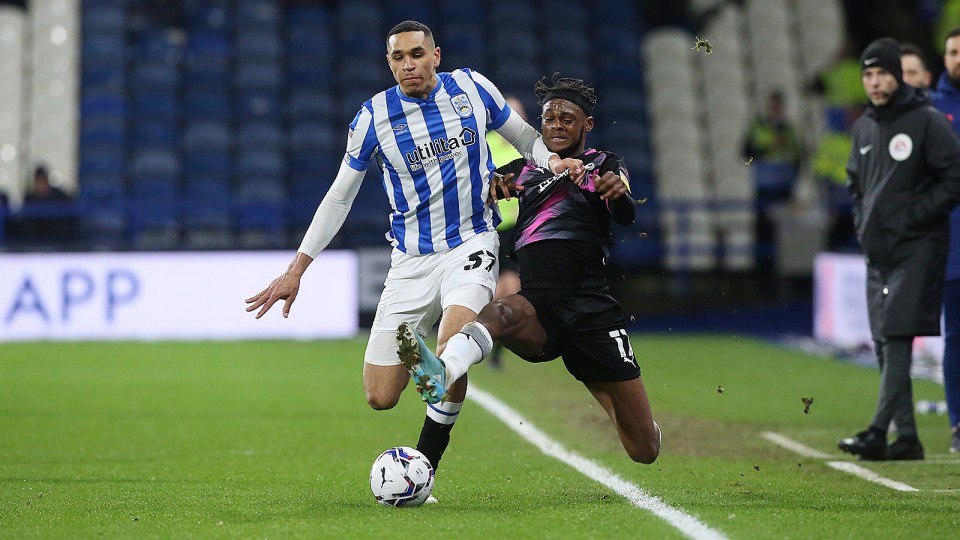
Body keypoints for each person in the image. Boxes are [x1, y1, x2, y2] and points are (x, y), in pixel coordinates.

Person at [245, 20, 583, 481]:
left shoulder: (471, 88)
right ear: (389, 63)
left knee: (451, 350)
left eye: (417, 54)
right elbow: (339, 197)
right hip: (410, 261)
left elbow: (524, 138)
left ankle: (425, 464)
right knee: (380, 396)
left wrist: (552, 160)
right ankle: (420, 339)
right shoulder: (374, 117)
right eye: (398, 57)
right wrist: (296, 269)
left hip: (471, 242)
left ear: (435, 56)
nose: (408, 65)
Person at [396, 74, 661, 464]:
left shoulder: (604, 165)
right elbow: (476, 195)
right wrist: (489, 190)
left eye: (567, 119)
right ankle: (445, 370)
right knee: (501, 311)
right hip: (539, 304)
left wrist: (618, 195)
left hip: (592, 310)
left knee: (643, 449)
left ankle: (637, 420)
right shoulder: (523, 170)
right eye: (549, 118)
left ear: (587, 124)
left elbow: (624, 212)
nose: (556, 126)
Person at [837, 38, 960, 461]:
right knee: (883, 342)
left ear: (897, 77)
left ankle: (877, 431)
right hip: (878, 252)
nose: (875, 82)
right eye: (868, 75)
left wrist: (916, 215)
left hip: (918, 247)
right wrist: (863, 223)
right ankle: (907, 438)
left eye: (882, 74)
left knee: (898, 334)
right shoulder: (864, 127)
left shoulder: (927, 121)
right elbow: (854, 183)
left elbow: (955, 176)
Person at [931, 28, 960, 453]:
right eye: (954, 52)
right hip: (952, 242)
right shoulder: (932, 110)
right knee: (956, 335)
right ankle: (958, 423)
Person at [484, 95, 527, 369]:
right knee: (498, 289)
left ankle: (494, 347)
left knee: (511, 289)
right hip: (490, 228)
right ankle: (487, 341)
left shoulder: (528, 148)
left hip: (519, 229)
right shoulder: (486, 144)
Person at [20, 164, 74, 245]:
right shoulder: (30, 199)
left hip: (59, 242)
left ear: (47, 181)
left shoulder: (60, 197)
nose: (40, 185)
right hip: (35, 242)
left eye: (42, 181)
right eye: (38, 181)